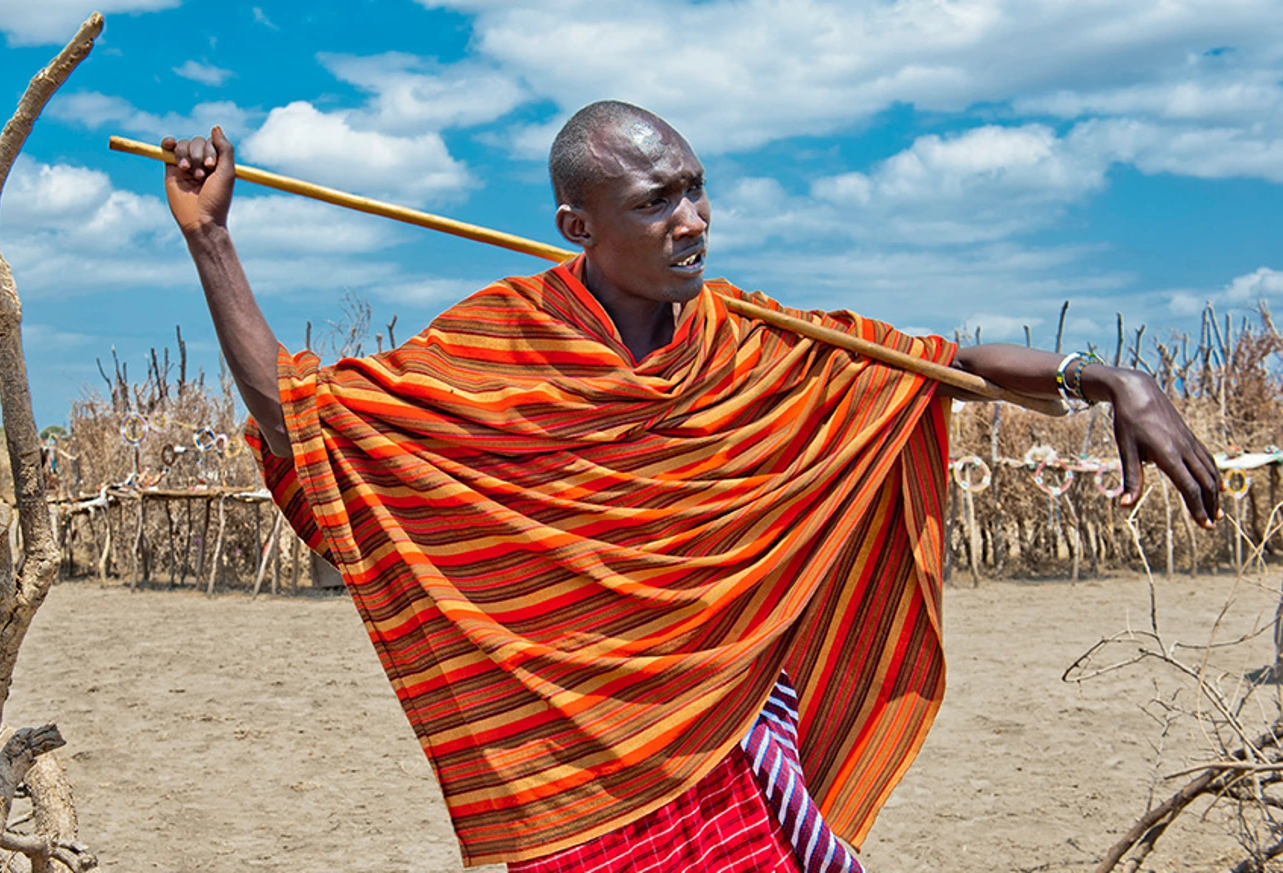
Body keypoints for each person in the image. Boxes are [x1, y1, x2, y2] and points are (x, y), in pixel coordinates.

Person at [160, 101, 1220, 870]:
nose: (694, 219)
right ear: (577, 226)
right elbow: (309, 417)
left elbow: (945, 370)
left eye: (698, 188)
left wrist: (1106, 377)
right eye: (657, 199)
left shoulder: (753, 342)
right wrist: (212, 241)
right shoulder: (501, 346)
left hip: (731, 745)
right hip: (569, 766)